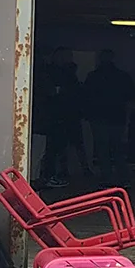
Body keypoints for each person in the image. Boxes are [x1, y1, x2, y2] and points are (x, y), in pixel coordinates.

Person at [82, 49, 135, 186]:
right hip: (117, 117)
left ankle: (106, 178)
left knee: (102, 150)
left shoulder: (93, 76)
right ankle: (124, 179)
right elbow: (132, 97)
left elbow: (85, 97)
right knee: (118, 149)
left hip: (98, 118)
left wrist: (86, 115)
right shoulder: (122, 76)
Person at [35, 48, 86, 188]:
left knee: (61, 148)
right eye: (65, 56)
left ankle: (57, 174)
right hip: (52, 118)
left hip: (65, 117)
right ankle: (46, 177)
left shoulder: (68, 73)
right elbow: (52, 93)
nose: (68, 59)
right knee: (50, 150)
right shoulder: (49, 73)